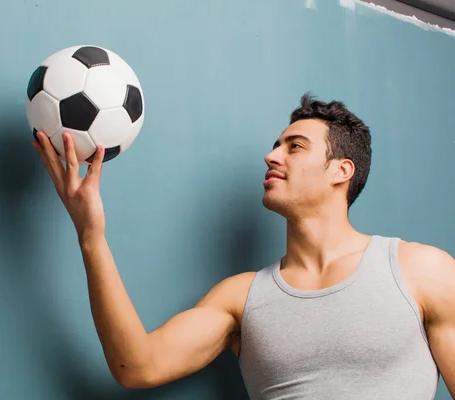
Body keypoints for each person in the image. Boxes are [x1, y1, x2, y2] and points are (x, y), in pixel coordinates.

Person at [32, 93, 455, 399]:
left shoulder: (421, 270)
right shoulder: (241, 297)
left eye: (295, 147)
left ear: (341, 170)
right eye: (275, 146)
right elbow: (136, 366)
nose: (272, 156)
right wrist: (91, 234)